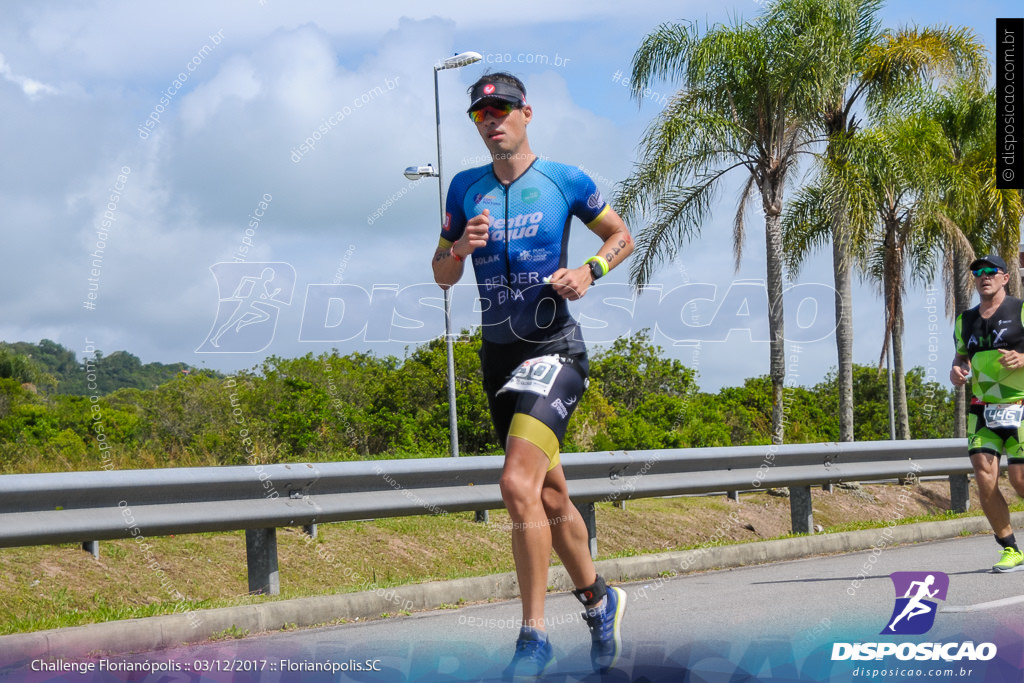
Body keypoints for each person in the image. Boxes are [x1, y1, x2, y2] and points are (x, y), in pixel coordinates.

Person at [431, 72, 633, 678]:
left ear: (526, 113)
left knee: (517, 487)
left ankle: (533, 636)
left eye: (502, 109)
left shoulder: (564, 180)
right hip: (498, 358)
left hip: (555, 349)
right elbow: (441, 274)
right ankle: (599, 599)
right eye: (481, 114)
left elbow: (622, 235)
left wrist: (590, 269)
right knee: (548, 495)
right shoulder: (466, 189)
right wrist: (459, 250)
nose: (492, 121)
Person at [951, 253, 1024, 572]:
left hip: (1020, 403)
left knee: (1020, 480)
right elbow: (961, 356)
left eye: (991, 271)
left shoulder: (1020, 310)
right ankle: (1010, 548)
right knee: (984, 477)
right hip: (982, 409)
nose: (984, 276)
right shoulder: (965, 320)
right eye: (978, 272)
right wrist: (955, 370)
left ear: (1005, 277)